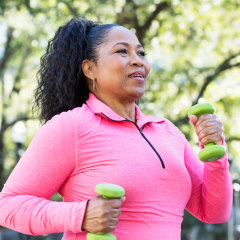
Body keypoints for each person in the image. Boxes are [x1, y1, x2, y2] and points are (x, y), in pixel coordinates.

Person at [0, 17, 232, 240]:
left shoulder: (168, 132)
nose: (137, 60)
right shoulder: (71, 127)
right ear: (90, 69)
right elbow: (7, 205)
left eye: (141, 53)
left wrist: (215, 150)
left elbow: (214, 212)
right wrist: (80, 215)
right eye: (122, 51)